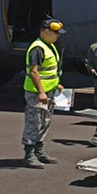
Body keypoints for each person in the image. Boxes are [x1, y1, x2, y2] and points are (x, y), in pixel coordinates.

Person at [21, 19, 66, 169]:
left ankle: (38, 150)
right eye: (56, 33)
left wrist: (56, 84)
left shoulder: (49, 46)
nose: (58, 36)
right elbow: (34, 72)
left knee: (46, 121)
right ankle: (29, 154)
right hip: (36, 93)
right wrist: (41, 92)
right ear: (46, 32)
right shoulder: (37, 48)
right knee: (34, 122)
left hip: (49, 91)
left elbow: (49, 70)